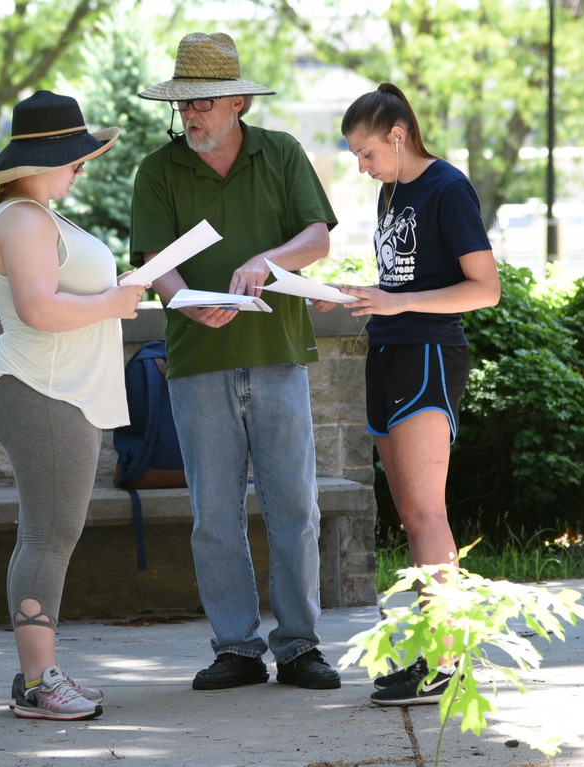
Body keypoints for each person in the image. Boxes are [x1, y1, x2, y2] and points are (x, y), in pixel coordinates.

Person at [131, 32, 341, 692]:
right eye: (184, 104)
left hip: (277, 355)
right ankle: (238, 648)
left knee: (295, 511)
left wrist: (270, 262)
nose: (191, 114)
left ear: (240, 103)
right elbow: (155, 265)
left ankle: (301, 644)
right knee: (214, 516)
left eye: (205, 102)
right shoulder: (157, 171)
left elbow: (318, 237)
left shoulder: (280, 153)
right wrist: (184, 302)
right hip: (197, 361)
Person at [318, 83, 501, 706]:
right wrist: (361, 296)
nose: (361, 167)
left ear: (398, 136)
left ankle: (446, 661)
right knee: (411, 515)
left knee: (427, 514)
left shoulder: (448, 188)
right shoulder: (392, 191)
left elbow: (484, 289)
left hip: (427, 355)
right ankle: (433, 651)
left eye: (365, 153)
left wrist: (396, 303)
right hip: (389, 351)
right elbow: (405, 280)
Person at [0, 90, 142, 721]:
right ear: (41, 159)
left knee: (49, 535)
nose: (82, 166)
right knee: (48, 537)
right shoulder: (22, 218)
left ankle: (40, 673)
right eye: (75, 157)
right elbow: (39, 310)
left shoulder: (38, 214)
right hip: (41, 390)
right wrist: (114, 303)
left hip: (59, 390)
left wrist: (118, 292)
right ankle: (38, 682)